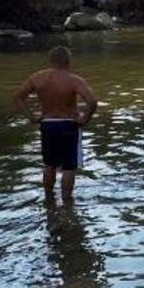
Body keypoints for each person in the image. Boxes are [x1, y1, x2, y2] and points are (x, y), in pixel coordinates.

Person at [13, 47, 98, 201]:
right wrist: (85, 119)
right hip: (68, 124)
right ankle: (67, 202)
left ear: (51, 60)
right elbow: (92, 101)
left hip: (48, 124)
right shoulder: (74, 80)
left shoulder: (37, 78)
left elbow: (18, 97)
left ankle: (49, 199)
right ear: (69, 61)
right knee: (68, 166)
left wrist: (31, 117)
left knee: (49, 164)